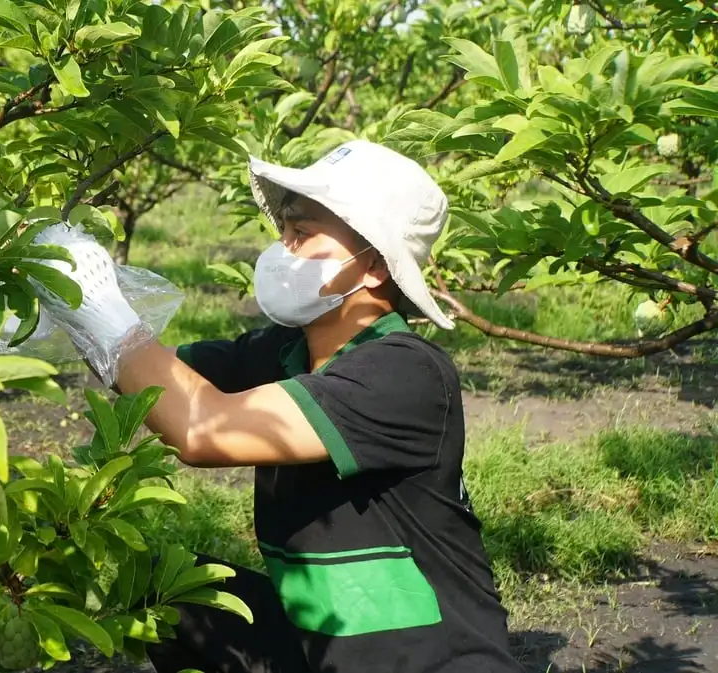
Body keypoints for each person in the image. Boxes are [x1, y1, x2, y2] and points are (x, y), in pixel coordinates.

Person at [28, 139, 522, 673]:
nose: (282, 249)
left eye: (303, 234)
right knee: (164, 588)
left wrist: (108, 315)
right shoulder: (284, 351)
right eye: (284, 230)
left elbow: (201, 429)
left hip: (426, 659)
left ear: (375, 266)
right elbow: (156, 381)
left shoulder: (405, 372)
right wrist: (68, 306)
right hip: (318, 644)